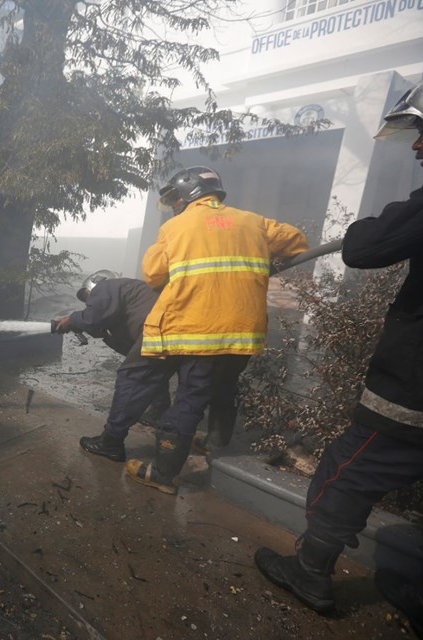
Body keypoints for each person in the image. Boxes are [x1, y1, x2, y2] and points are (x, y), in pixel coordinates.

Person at [254, 77, 423, 628]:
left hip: (416, 388)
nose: (417, 146)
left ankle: (310, 571)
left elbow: (365, 247)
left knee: (347, 470)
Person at [122, 166, 308, 494]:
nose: (175, 205)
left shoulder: (175, 227)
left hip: (200, 332)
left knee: (189, 399)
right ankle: (216, 443)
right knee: (225, 387)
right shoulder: (254, 222)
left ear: (188, 194)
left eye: (175, 198)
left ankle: (164, 473)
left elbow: (152, 274)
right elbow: (298, 241)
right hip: (244, 334)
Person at [53, 270, 171, 460]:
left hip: (161, 328)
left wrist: (72, 320)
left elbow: (92, 317)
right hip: (173, 329)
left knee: (131, 379)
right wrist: (104, 334)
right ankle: (159, 412)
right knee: (149, 370)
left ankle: (111, 442)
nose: (89, 302)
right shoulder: (135, 299)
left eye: (88, 296)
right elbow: (130, 349)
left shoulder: (106, 286)